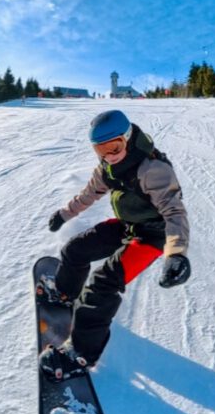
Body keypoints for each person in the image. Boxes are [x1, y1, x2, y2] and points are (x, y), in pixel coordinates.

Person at [39, 109, 191, 380]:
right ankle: (65, 293)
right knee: (75, 250)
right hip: (127, 225)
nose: (109, 155)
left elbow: (174, 212)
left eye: (115, 146)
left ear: (128, 137)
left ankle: (81, 353)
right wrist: (64, 214)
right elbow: (89, 194)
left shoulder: (152, 169)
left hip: (152, 236)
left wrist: (176, 254)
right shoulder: (107, 168)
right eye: (101, 149)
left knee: (103, 284)